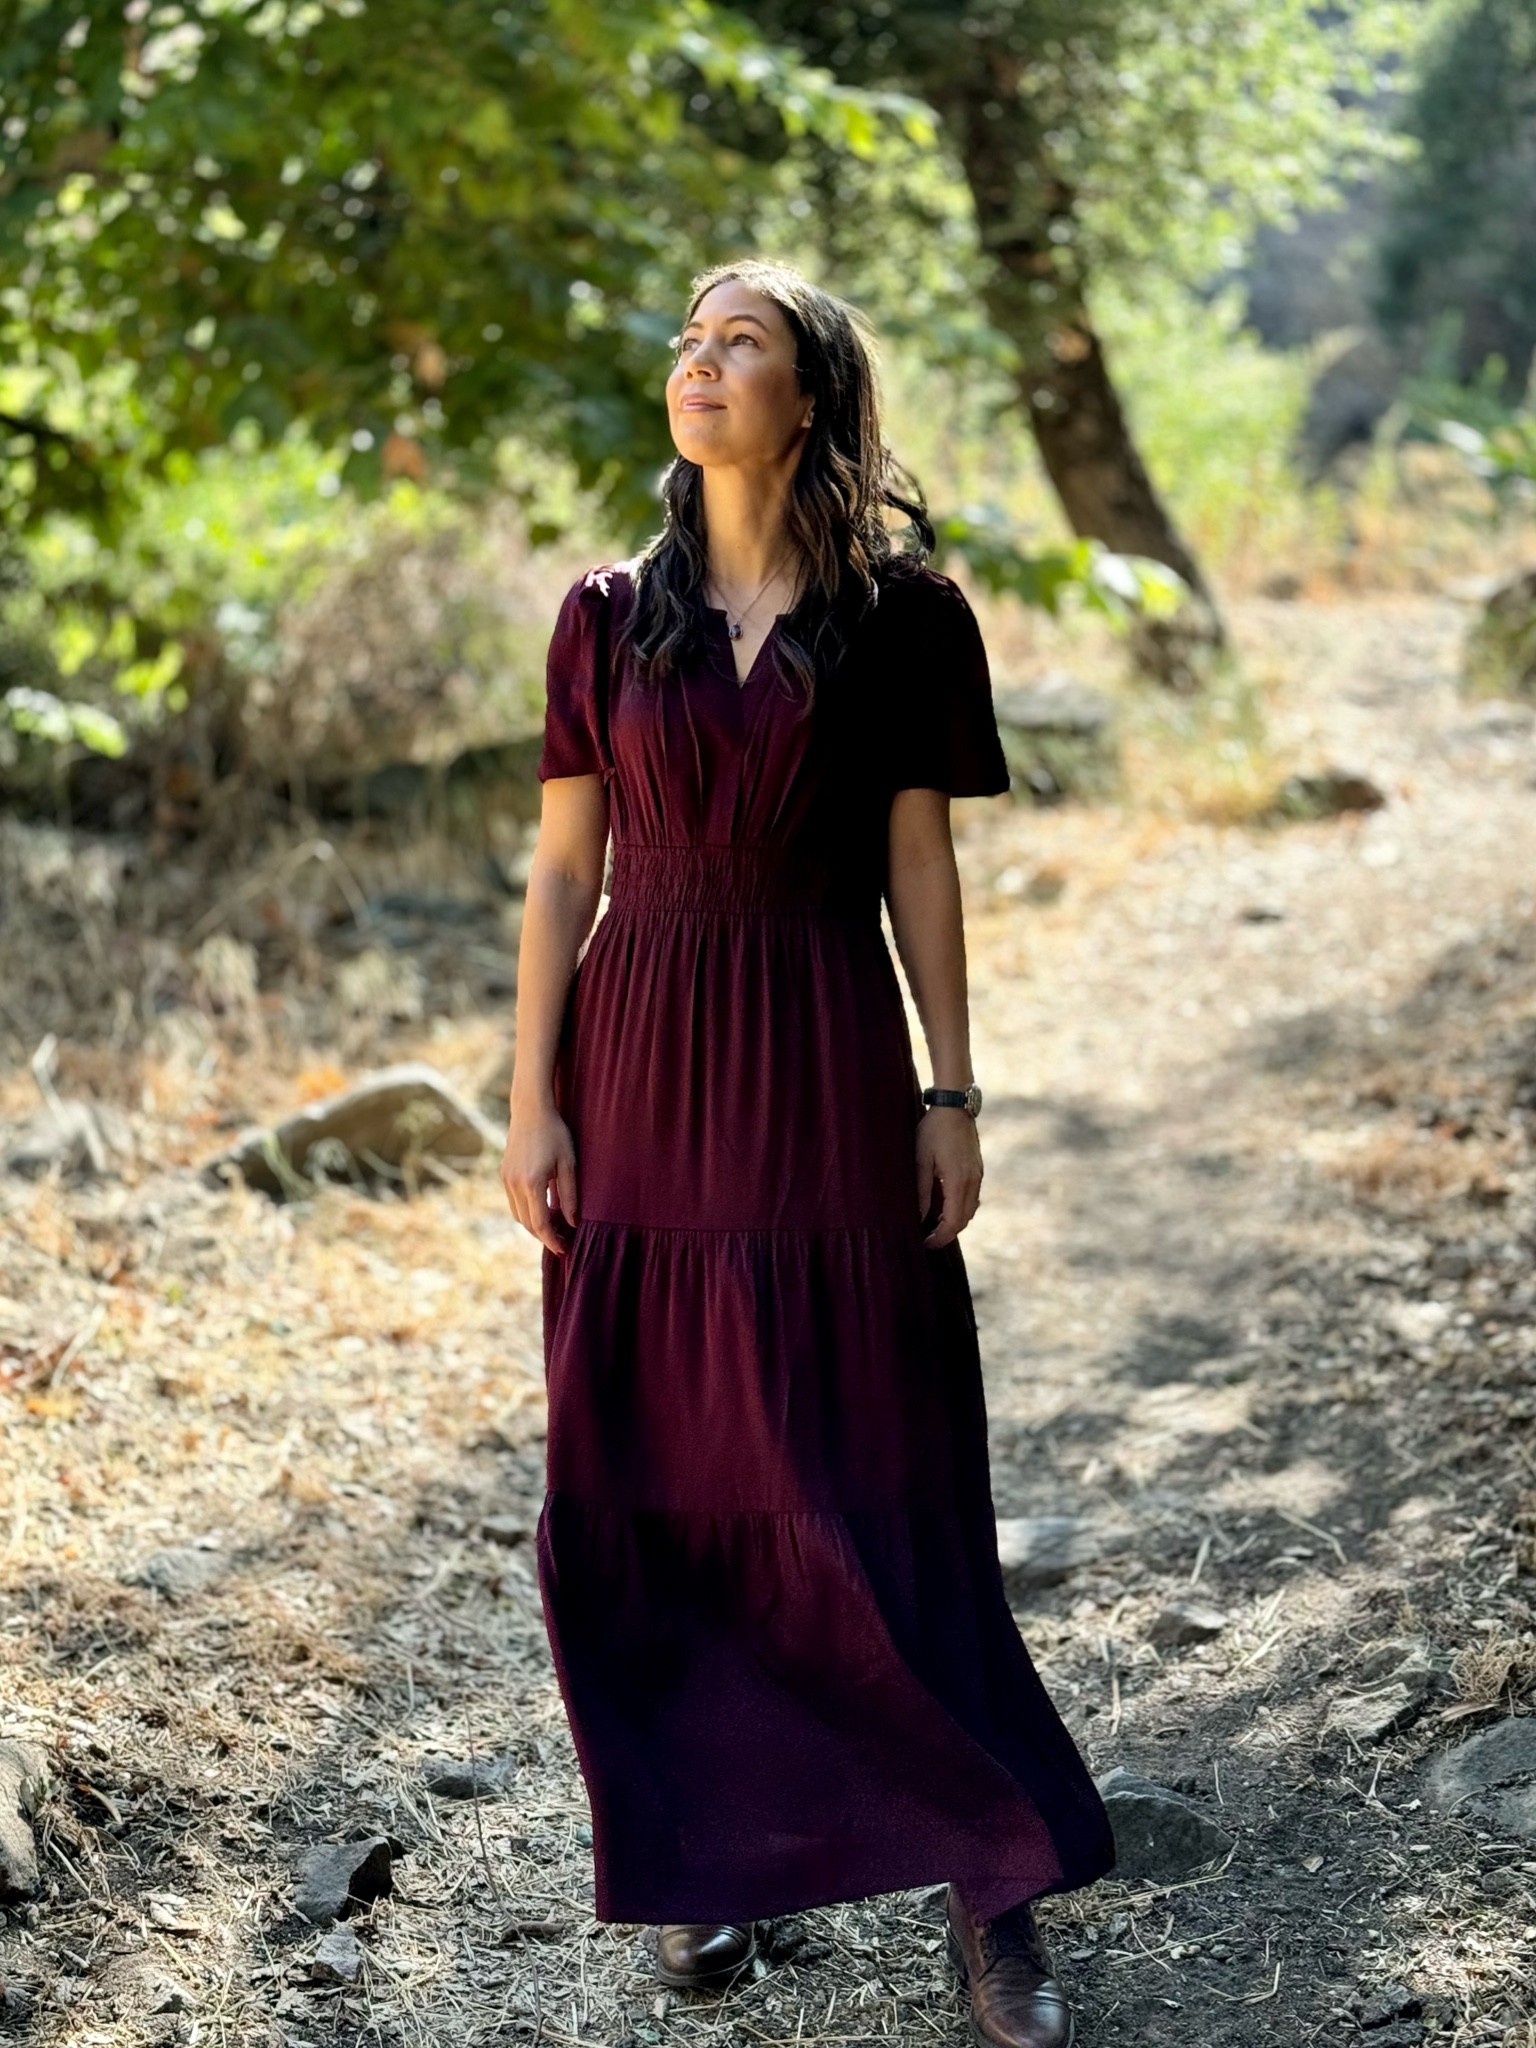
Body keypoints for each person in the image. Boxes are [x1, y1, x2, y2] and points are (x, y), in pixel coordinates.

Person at [501, 258, 1114, 2048]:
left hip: (829, 1046)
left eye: (737, 343)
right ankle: (703, 1860)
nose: (696, 366)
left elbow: (920, 862)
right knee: (669, 1459)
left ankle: (993, 1882)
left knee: (876, 1459)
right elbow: (561, 874)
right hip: (642, 1059)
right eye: (686, 344)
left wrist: (954, 1091)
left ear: (810, 394)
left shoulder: (907, 615)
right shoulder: (605, 613)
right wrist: (529, 1097)